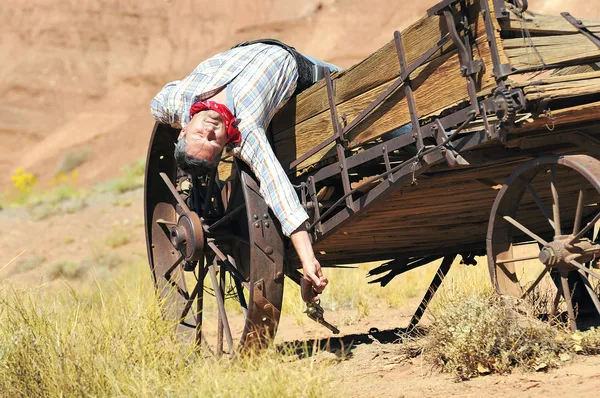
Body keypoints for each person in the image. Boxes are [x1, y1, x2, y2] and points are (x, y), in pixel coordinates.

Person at [150, 40, 341, 302]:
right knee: (371, 86)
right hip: (307, 70)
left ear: (183, 129)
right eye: (213, 141)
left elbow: (156, 103)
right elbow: (279, 192)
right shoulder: (247, 132)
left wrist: (179, 115)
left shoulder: (180, 100)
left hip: (249, 45)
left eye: (198, 134)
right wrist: (308, 261)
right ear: (226, 146)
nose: (209, 131)